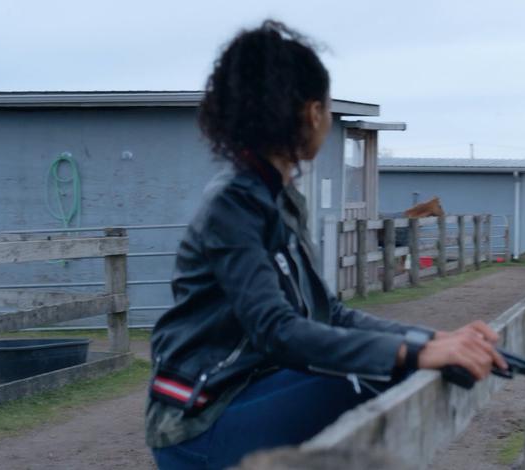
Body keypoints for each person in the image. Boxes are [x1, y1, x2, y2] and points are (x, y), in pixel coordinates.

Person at [146, 20, 505, 469]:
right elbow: (277, 329)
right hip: (199, 417)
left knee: (391, 368)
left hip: (248, 392)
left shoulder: (276, 197)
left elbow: (327, 312)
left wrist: (434, 338)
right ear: (314, 113)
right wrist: (416, 352)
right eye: (328, 108)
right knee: (369, 377)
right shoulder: (233, 204)